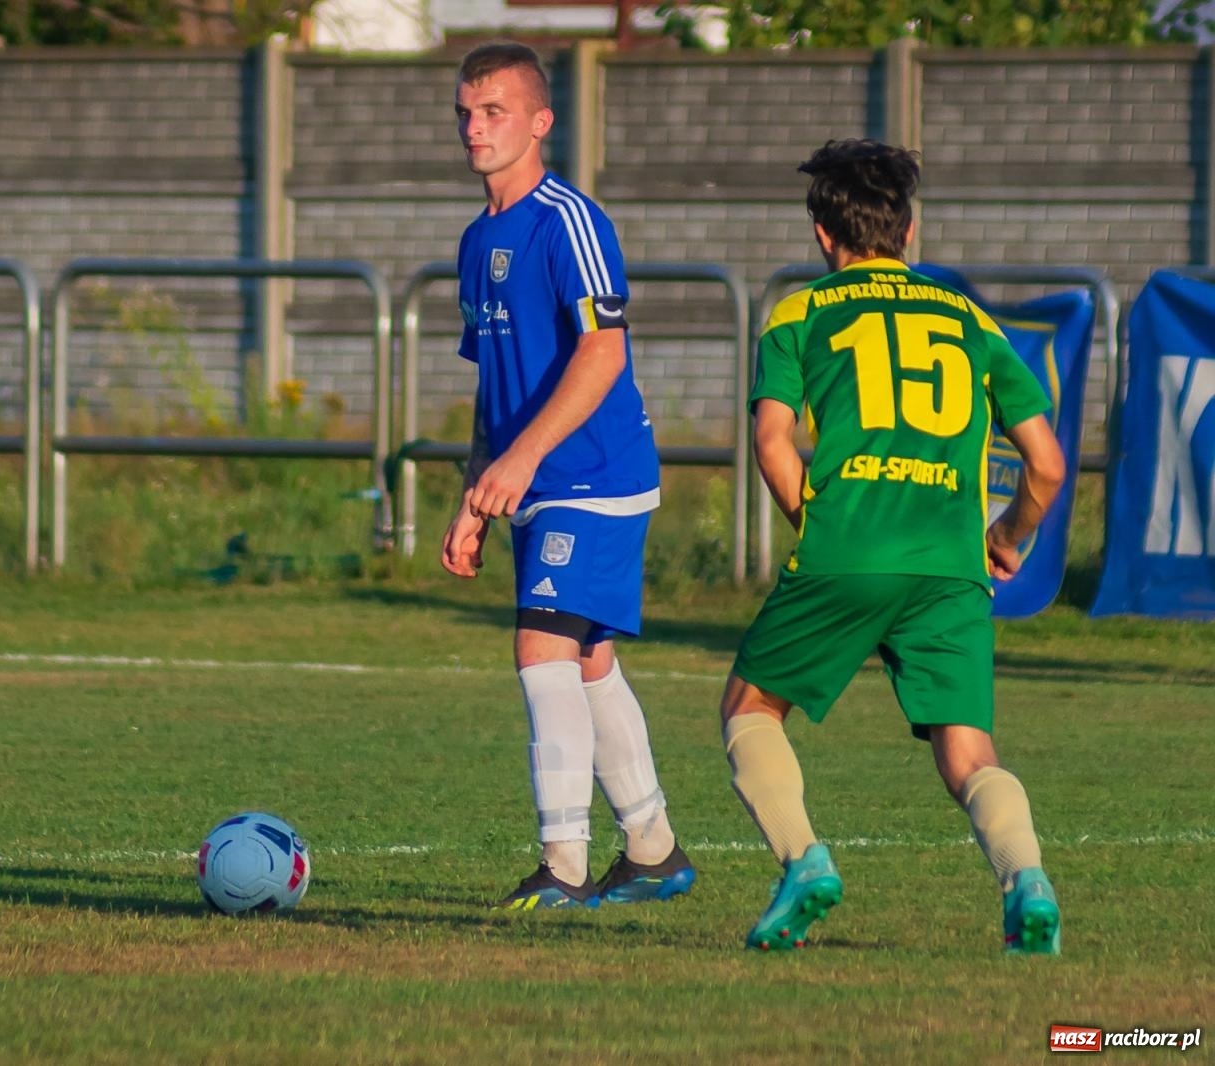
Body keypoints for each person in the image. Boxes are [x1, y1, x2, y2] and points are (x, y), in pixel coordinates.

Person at [722, 138, 1066, 953]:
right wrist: (1006, 536)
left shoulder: (799, 314)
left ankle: (804, 861)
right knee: (968, 752)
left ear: (821, 234)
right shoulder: (969, 319)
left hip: (846, 548)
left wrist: (819, 526)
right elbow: (1048, 465)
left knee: (749, 708)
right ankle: (1027, 880)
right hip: (950, 564)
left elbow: (772, 443)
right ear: (909, 232)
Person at [442, 41, 693, 910]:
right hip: (535, 481)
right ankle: (653, 848)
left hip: (595, 473)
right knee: (587, 662)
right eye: (466, 113)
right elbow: (493, 386)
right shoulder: (477, 239)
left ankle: (564, 864)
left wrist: (522, 460)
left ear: (540, 121)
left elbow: (602, 352)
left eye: (494, 112)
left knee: (541, 649)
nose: (475, 129)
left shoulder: (569, 221)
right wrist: (476, 496)